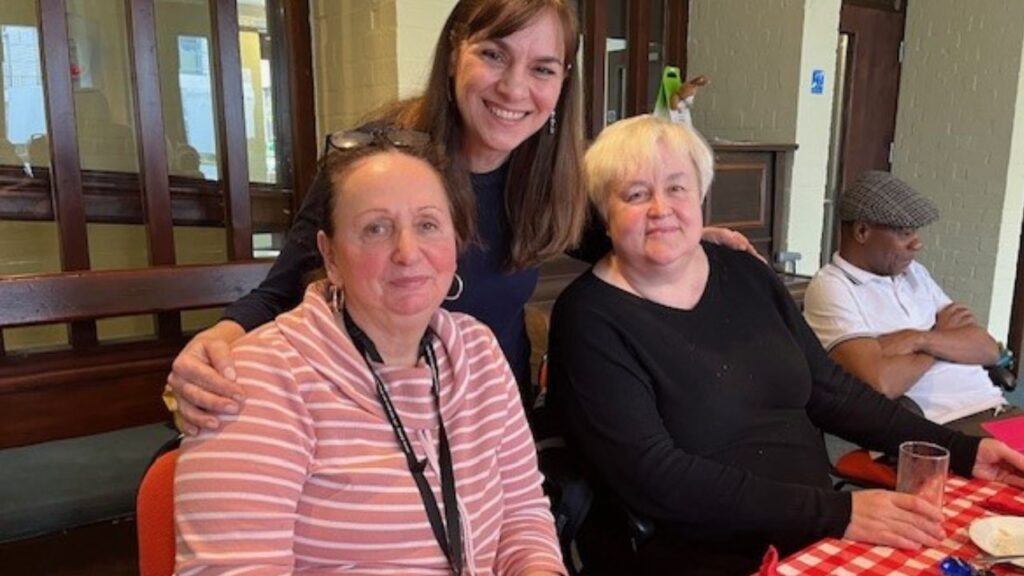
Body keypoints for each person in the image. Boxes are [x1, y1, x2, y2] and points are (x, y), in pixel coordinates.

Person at [166, 0, 755, 435]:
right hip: (372, 420)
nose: (514, 87)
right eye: (494, 55)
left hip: (491, 421)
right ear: (455, 53)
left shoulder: (546, 175)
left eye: (543, 68)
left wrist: (672, 228)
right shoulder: (378, 162)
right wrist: (218, 340)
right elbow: (283, 289)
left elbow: (602, 236)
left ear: (562, 82)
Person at [546, 115, 1024, 575]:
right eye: (635, 194)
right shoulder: (589, 317)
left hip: (818, 533)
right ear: (605, 214)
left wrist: (963, 451)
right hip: (705, 555)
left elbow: (831, 389)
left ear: (700, 196)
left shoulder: (746, 272)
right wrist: (839, 512)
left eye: (677, 188)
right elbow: (657, 477)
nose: (661, 208)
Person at [174, 135, 566, 575]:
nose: (407, 252)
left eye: (428, 224)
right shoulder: (260, 380)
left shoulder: (479, 353)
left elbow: (523, 516)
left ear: (455, 243)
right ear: (331, 255)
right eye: (376, 228)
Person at [803, 171, 1018, 433]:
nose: (917, 244)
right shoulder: (832, 287)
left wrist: (917, 340)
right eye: (905, 234)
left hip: (996, 410)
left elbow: (987, 349)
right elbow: (881, 383)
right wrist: (939, 336)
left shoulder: (914, 273)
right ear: (862, 231)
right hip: (940, 430)